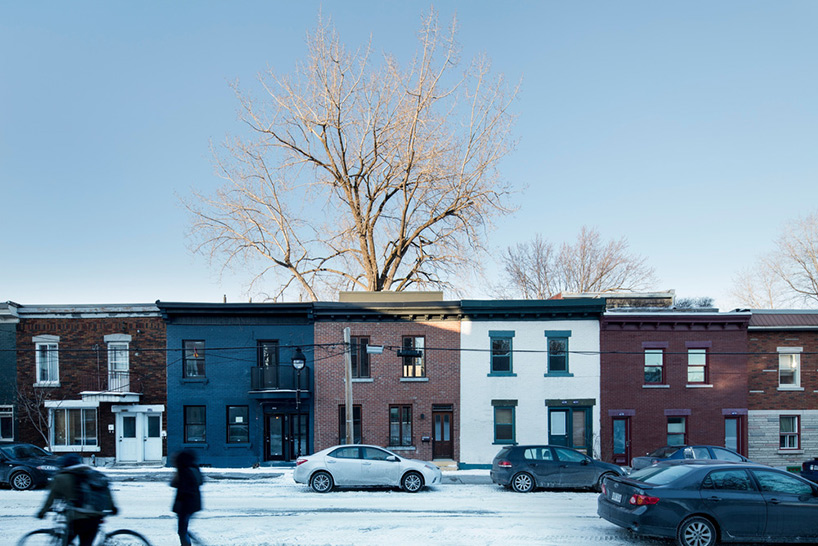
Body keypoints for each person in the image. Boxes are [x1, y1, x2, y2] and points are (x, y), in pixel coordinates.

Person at [37, 453, 117, 546]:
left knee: (65, 543)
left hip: (77, 518)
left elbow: (51, 498)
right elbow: (106, 492)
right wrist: (113, 507)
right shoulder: (93, 475)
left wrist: (43, 512)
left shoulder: (61, 477)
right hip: (96, 517)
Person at [171, 449, 203, 546]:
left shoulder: (184, 471)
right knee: (183, 529)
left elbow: (176, 485)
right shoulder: (193, 468)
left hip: (186, 506)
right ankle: (194, 540)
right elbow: (200, 482)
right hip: (192, 504)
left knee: (182, 531)